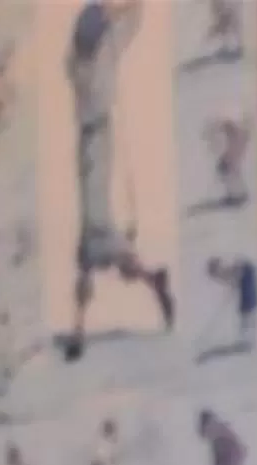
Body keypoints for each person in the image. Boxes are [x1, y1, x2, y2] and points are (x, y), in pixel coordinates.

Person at [60, 0, 174, 360]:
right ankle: (152, 281)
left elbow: (127, 18)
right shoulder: (82, 58)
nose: (83, 40)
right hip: (90, 140)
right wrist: (113, 13)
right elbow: (117, 20)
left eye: (85, 37)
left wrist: (119, 10)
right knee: (95, 248)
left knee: (94, 241)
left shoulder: (95, 59)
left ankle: (79, 331)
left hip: (96, 140)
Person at [203, 254, 257, 353]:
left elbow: (234, 276)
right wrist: (233, 283)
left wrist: (234, 282)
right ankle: (248, 341)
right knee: (246, 318)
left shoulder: (240, 267)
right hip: (247, 295)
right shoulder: (235, 269)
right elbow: (232, 278)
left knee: (247, 317)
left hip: (248, 295)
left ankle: (249, 342)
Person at [204, 115, 254, 209]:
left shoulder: (240, 136)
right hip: (230, 160)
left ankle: (237, 195)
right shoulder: (240, 135)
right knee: (229, 174)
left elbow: (236, 148)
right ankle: (236, 195)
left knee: (229, 173)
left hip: (230, 160)